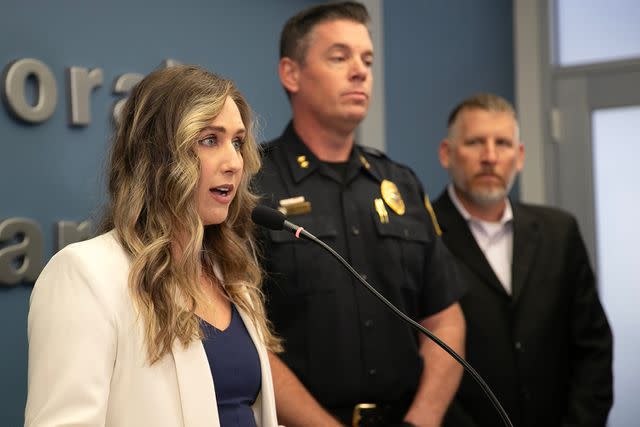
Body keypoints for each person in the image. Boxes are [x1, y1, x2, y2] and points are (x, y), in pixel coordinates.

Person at [25, 65, 282, 427]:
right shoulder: (84, 275)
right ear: (160, 156)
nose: (234, 163)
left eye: (237, 142)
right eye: (210, 139)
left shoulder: (234, 280)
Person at [253, 3, 467, 426]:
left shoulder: (400, 184)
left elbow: (445, 318)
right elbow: (246, 337)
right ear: (290, 74)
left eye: (366, 59)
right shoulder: (253, 187)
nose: (360, 71)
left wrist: (421, 419)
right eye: (339, 57)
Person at [434, 93, 614, 427]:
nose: (490, 157)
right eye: (475, 142)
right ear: (447, 154)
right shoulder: (421, 236)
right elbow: (413, 362)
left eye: (502, 144)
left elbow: (593, 347)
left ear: (519, 157)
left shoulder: (559, 233)